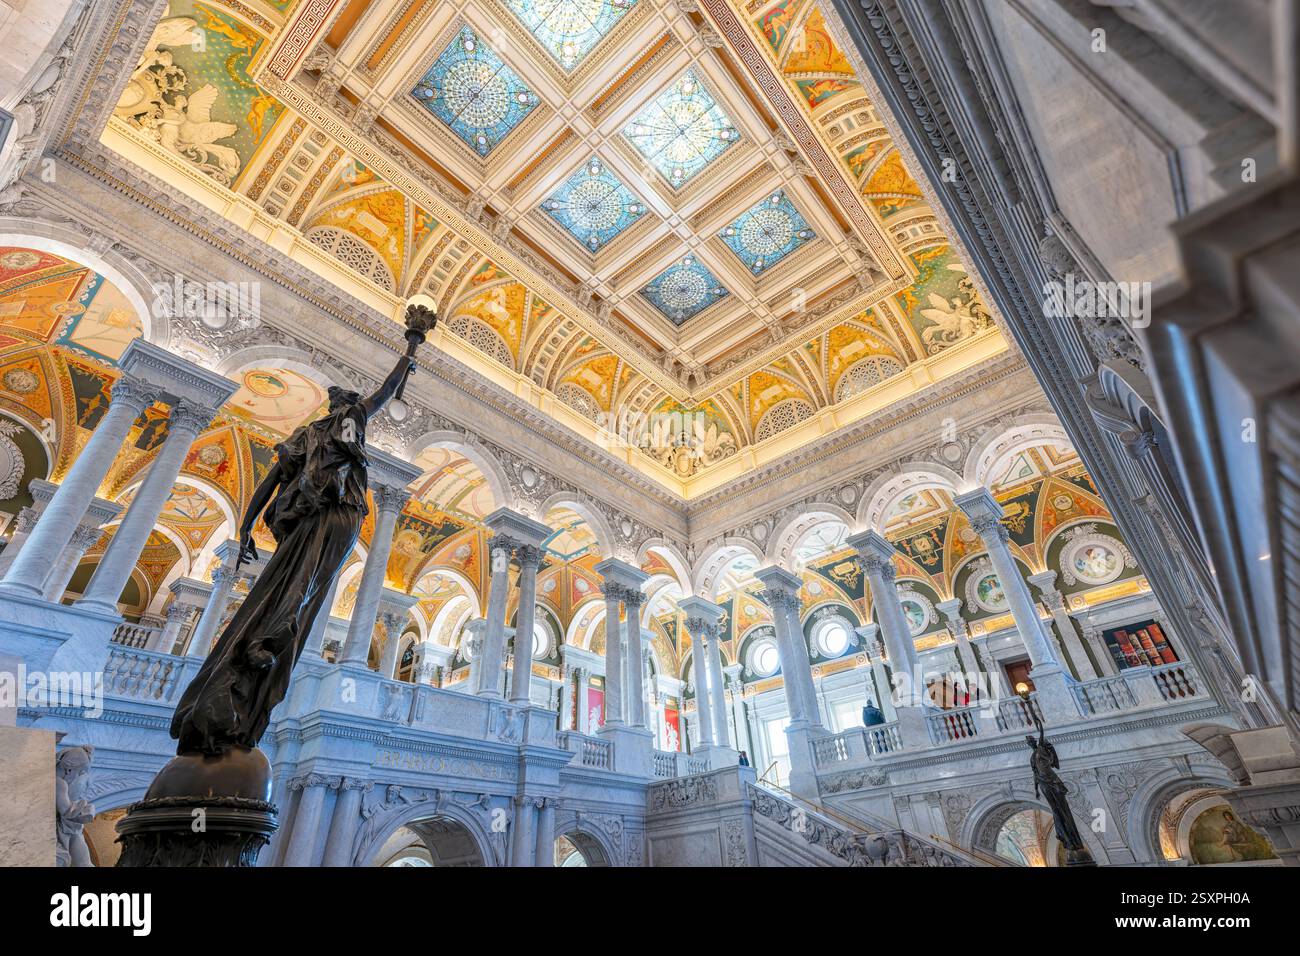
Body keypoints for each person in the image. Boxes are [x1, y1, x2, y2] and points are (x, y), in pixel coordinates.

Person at [171, 348, 418, 755]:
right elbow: (386, 392)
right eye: (350, 410)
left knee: (306, 585)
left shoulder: (313, 435)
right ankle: (264, 640)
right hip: (327, 515)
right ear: (343, 410)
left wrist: (249, 524)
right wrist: (409, 352)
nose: (354, 418)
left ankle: (268, 642)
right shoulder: (335, 428)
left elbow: (271, 481)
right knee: (298, 583)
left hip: (338, 517)